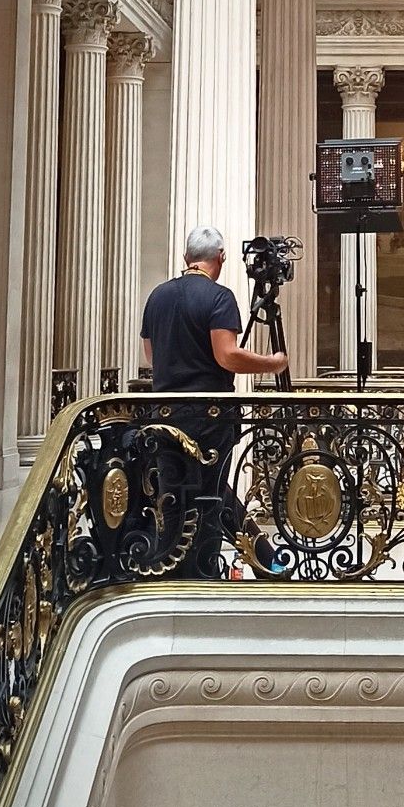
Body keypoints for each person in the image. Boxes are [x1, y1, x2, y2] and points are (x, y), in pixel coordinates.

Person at [140, 225, 288, 570]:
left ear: (186, 258)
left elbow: (152, 356)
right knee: (210, 491)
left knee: (175, 491)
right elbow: (227, 356)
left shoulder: (157, 296)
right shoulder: (219, 297)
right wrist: (273, 362)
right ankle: (206, 567)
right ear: (219, 257)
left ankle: (173, 564)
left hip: (165, 412)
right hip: (209, 415)